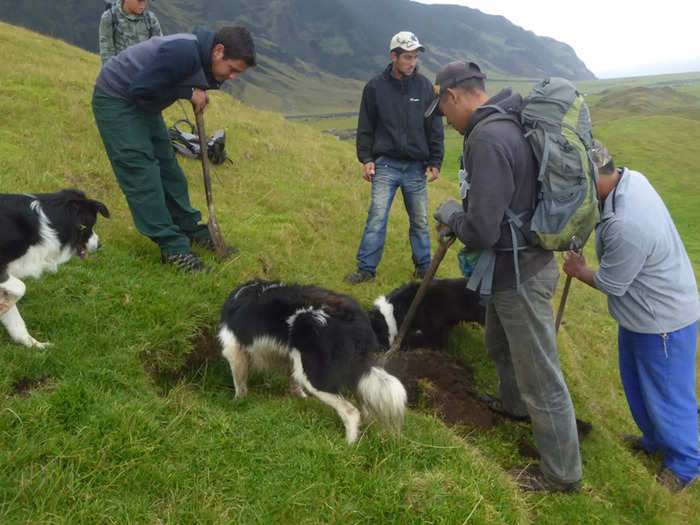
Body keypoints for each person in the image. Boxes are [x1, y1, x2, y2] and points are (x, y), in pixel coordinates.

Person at [429, 60, 582, 493]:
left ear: (453, 96)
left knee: (542, 378)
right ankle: (513, 406)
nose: (446, 122)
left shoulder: (488, 139)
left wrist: (451, 214)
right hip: (515, 266)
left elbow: (481, 229)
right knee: (498, 342)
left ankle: (561, 474)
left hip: (520, 274)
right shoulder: (507, 123)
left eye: (443, 112)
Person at [563, 140, 700, 492]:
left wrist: (579, 270)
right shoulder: (630, 178)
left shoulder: (627, 222)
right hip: (643, 317)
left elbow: (611, 282)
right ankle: (655, 441)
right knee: (641, 388)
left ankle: (685, 465)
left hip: (663, 323)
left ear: (591, 179)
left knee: (670, 396)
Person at [92, 26, 256, 273]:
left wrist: (195, 91)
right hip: (118, 98)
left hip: (146, 104)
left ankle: (190, 228)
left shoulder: (205, 59)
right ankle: (173, 249)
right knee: (142, 172)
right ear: (218, 51)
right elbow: (140, 89)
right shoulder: (182, 51)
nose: (233, 77)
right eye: (232, 69)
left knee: (170, 170)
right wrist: (189, 92)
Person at [344, 31, 444, 284]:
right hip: (385, 164)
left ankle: (424, 270)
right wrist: (366, 159)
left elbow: (434, 127)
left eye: (415, 57)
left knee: (420, 221)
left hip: (416, 167)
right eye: (407, 57)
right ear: (394, 56)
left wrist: (435, 162)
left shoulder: (425, 87)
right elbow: (365, 126)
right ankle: (366, 270)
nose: (412, 62)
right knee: (377, 218)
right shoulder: (374, 88)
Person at [99, 0, 163, 65]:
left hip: (145, 72)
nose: (143, 5)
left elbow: (159, 50)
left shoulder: (151, 19)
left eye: (145, 1)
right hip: (120, 72)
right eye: (139, 1)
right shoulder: (110, 17)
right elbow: (107, 53)